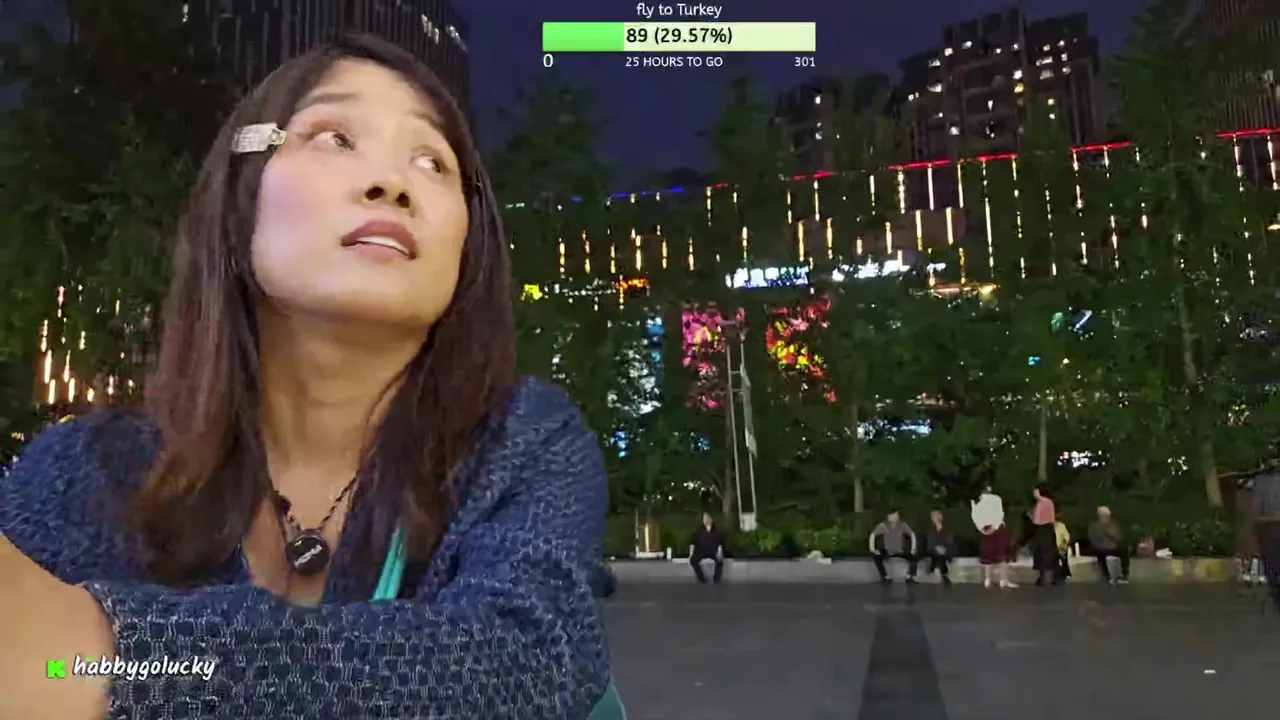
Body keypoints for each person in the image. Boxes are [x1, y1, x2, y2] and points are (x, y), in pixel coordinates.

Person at [0, 35, 609, 719]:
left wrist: (105, 656)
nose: (391, 183)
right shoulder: (82, 472)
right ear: (239, 193)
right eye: (335, 138)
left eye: (432, 162)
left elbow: (528, 664)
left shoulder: (524, 442)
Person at [972, 486, 1017, 588]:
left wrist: (982, 529)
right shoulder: (996, 499)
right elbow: (999, 514)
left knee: (987, 556)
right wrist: (995, 526)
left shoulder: (977, 501)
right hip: (996, 529)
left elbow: (975, 516)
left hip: (985, 530)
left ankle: (988, 579)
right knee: (1002, 556)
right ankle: (1003, 580)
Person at [869, 510, 918, 584]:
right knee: (876, 557)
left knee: (915, 557)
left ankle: (910, 576)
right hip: (888, 550)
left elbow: (912, 534)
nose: (896, 517)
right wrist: (872, 549)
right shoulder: (883, 525)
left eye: (896, 515)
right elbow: (872, 535)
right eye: (893, 515)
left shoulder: (902, 525)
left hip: (900, 550)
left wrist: (913, 549)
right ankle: (885, 577)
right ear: (888, 516)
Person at [1087, 506, 1131, 584]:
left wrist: (1113, 534)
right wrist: (1100, 545)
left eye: (1107, 515)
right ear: (1099, 516)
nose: (1106, 517)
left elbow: (1118, 537)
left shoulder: (1113, 524)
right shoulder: (1094, 526)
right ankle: (1107, 577)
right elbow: (1092, 539)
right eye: (1104, 515)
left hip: (1112, 547)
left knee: (1124, 551)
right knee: (1100, 555)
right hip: (1100, 547)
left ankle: (1124, 575)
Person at [1030, 486, 1061, 586]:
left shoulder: (1043, 502)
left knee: (1044, 552)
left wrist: (1032, 518)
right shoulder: (1047, 502)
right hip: (1047, 528)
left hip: (1043, 528)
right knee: (1047, 552)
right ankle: (1050, 576)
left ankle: (1047, 577)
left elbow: (1037, 519)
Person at [689, 512, 726, 583]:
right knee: (693, 561)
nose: (706, 520)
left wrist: (719, 553)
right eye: (704, 519)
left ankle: (716, 579)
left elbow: (720, 544)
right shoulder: (699, 531)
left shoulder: (717, 532)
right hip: (701, 552)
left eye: (707, 518)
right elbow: (693, 543)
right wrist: (691, 553)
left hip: (713, 551)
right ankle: (702, 579)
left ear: (711, 519)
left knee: (719, 561)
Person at [923, 509, 954, 586]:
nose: (934, 518)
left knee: (940, 556)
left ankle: (937, 570)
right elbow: (930, 544)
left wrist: (944, 549)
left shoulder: (947, 529)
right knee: (938, 556)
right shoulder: (931, 530)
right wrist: (936, 548)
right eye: (933, 517)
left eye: (936, 516)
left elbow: (950, 542)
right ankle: (944, 574)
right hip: (933, 550)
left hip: (945, 550)